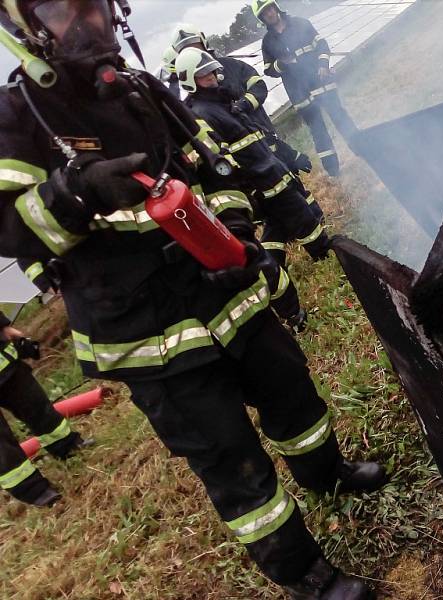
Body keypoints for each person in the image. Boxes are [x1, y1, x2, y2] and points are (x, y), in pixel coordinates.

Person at [0, 2, 382, 598]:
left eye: (92, 4)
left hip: (223, 290)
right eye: (57, 6)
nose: (83, 21)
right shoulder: (16, 118)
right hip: (143, 330)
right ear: (25, 25)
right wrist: (73, 192)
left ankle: (327, 474)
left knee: (293, 394)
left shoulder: (141, 90)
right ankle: (305, 574)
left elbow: (212, 165)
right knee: (229, 456)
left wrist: (238, 242)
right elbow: (8, 228)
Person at [176, 47, 327, 333]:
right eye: (204, 74)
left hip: (270, 175)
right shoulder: (201, 113)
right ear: (190, 80)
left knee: (277, 228)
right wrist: (249, 188)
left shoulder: (221, 103)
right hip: (262, 184)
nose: (213, 76)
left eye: (211, 71)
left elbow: (255, 139)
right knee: (304, 220)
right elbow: (223, 160)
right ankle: (325, 253)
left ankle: (283, 262)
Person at [169, 24, 322, 220]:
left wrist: (243, 106)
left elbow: (259, 86)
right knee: (273, 201)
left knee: (290, 179)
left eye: (195, 44)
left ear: (203, 41)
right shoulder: (192, 100)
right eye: (186, 48)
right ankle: (300, 227)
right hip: (245, 158)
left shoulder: (232, 66)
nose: (193, 51)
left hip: (263, 135)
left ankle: (314, 219)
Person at [254, 0, 359, 176]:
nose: (269, 14)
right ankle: (333, 171)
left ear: (276, 7)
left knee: (340, 116)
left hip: (322, 83)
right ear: (262, 19)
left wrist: (323, 64)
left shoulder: (301, 23)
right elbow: (269, 70)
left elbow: (322, 45)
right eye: (265, 13)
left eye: (270, 9)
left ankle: (361, 148)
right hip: (300, 94)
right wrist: (281, 63)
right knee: (318, 130)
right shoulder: (267, 42)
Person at [0, 310, 85, 507]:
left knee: (37, 406)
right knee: (2, 446)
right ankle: (34, 491)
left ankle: (67, 446)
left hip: (5, 365)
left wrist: (4, 327)